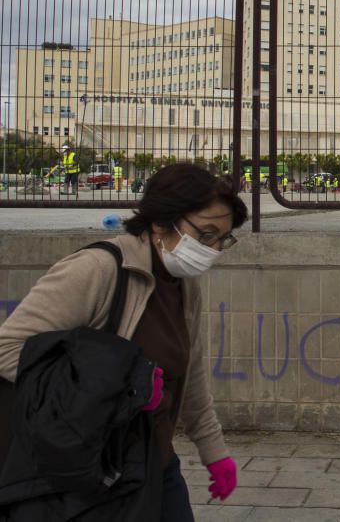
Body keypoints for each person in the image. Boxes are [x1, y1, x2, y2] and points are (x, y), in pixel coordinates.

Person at [0, 163, 248, 520]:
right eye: (206, 234)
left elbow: (189, 378)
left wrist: (216, 454)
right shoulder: (98, 270)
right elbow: (10, 352)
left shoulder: (183, 283)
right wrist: (123, 388)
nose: (213, 249)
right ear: (162, 222)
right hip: (95, 474)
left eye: (223, 238)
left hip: (157, 464)